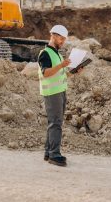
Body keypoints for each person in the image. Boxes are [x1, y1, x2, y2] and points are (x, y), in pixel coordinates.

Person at [38, 24, 73, 167]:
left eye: (64, 39)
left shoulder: (57, 54)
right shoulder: (45, 53)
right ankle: (54, 154)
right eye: (61, 39)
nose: (63, 42)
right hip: (52, 93)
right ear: (53, 36)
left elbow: (59, 73)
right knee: (55, 123)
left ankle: (48, 152)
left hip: (60, 91)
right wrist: (62, 65)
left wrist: (75, 70)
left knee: (54, 122)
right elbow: (46, 73)